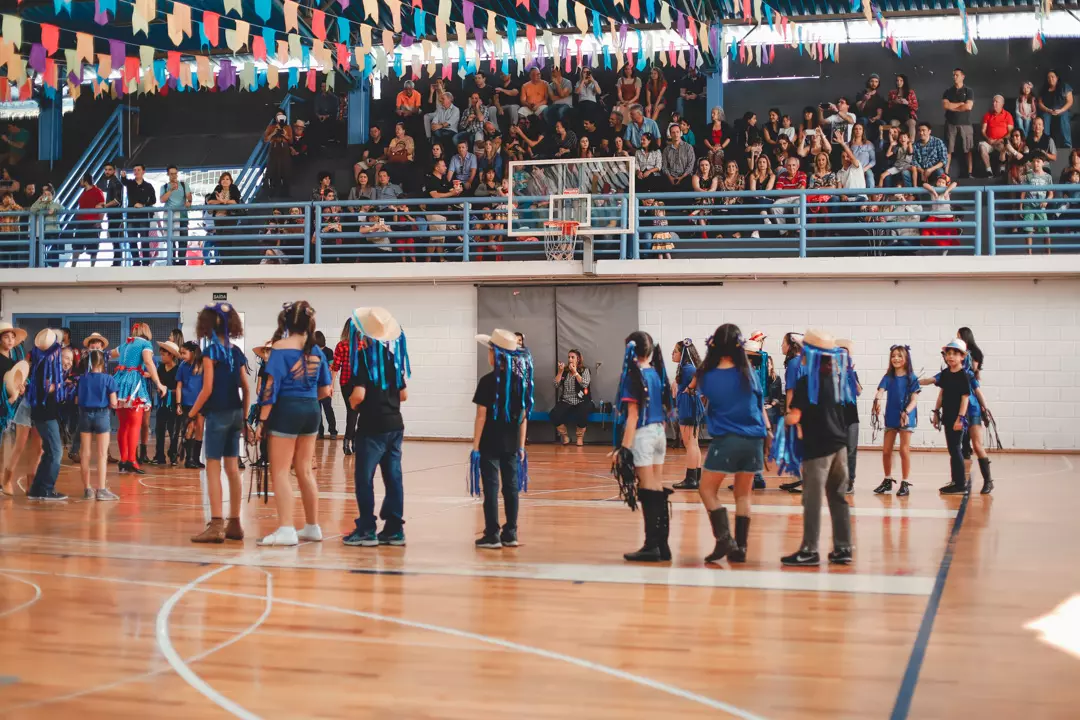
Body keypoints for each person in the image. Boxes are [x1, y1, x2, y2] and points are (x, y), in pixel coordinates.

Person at [254, 301, 331, 546]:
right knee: (305, 470)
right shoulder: (316, 351)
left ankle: (286, 529)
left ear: (286, 322)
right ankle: (312, 527)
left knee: (280, 471)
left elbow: (270, 388)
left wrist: (261, 420)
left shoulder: (279, 347)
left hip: (287, 410)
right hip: (312, 410)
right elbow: (326, 390)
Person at [694, 324, 770, 564]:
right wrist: (768, 432)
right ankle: (741, 548)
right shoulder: (748, 372)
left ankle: (725, 538)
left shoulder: (708, 376)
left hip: (727, 439)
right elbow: (759, 405)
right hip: (755, 438)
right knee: (743, 494)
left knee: (707, 490)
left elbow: (706, 398)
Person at [780, 330, 854, 567]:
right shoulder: (838, 380)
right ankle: (843, 548)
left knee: (812, 500)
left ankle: (809, 550)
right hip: (840, 447)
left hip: (818, 449)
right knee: (838, 498)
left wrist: (784, 420)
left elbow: (795, 417)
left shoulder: (807, 383)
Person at [341, 307, 411, 548]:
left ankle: (366, 529)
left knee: (364, 478)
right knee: (393, 478)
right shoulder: (392, 358)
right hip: (395, 425)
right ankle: (394, 529)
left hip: (372, 427)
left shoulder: (362, 359)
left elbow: (358, 395)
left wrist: (353, 402)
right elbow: (403, 395)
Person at [188, 303, 249, 543]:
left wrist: (192, 413)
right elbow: (245, 387)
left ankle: (216, 525)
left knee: (212, 468)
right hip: (236, 413)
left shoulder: (210, 352)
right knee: (232, 469)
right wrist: (245, 418)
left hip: (218, 414)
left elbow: (207, 389)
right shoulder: (236, 351)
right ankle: (235, 523)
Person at [614, 331, 673, 562]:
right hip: (660, 433)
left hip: (644, 434)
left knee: (647, 490)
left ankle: (651, 546)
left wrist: (623, 449)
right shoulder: (656, 373)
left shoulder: (633, 376)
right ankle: (662, 545)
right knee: (656, 487)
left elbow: (633, 415)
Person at [471, 329, 532, 549]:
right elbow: (523, 417)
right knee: (511, 487)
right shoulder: (521, 382)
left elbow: (481, 415)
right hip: (512, 443)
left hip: (490, 442)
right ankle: (511, 532)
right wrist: (522, 445)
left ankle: (492, 534)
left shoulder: (487, 381)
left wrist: (475, 446)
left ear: (495, 355)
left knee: (491, 488)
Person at [110, 323, 166, 475]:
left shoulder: (125, 344)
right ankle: (132, 460)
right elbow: (148, 362)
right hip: (134, 383)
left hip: (119, 382)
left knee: (123, 425)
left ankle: (123, 460)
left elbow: (109, 354)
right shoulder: (145, 344)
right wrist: (158, 383)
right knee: (135, 424)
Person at [25, 329, 70, 502]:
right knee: (56, 452)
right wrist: (61, 385)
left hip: (42, 414)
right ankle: (46, 490)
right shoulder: (46, 366)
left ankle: (37, 489)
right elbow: (46, 388)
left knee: (49, 452)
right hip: (45, 415)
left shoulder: (40, 363)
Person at [873, 344, 920, 497]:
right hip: (892, 416)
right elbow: (880, 391)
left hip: (906, 417)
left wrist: (906, 411)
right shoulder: (888, 377)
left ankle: (905, 482)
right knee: (886, 450)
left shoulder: (912, 378)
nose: (896, 359)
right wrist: (877, 401)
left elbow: (914, 400)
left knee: (903, 450)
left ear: (906, 358)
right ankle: (887, 479)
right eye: (893, 356)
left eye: (899, 356)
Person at [76, 349, 119, 501]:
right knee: (102, 454)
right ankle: (101, 490)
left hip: (84, 415)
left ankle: (87, 489)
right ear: (102, 362)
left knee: (85, 453)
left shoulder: (82, 378)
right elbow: (113, 402)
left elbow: (77, 400)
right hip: (102, 415)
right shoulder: (108, 379)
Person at [931, 338, 972, 495]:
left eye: (955, 354)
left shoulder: (963, 375)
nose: (950, 357)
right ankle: (956, 480)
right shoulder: (946, 374)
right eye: (948, 354)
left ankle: (960, 484)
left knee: (955, 449)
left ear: (962, 357)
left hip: (957, 418)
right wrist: (936, 412)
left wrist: (960, 418)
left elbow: (965, 398)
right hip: (947, 416)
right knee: (952, 449)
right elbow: (941, 394)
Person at [670, 339, 705, 491]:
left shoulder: (688, 368)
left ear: (683, 353)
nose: (672, 354)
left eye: (675, 351)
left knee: (689, 443)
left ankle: (691, 479)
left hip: (688, 406)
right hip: (690, 405)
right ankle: (696, 477)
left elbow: (701, 374)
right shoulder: (687, 367)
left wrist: (690, 387)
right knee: (693, 443)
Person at [835, 339, 861, 495]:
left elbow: (858, 391)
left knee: (851, 450)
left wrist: (850, 373)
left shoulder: (852, 373)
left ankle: (850, 481)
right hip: (836, 418)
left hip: (852, 417)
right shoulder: (830, 375)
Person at [149, 340, 181, 466]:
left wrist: (168, 391)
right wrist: (160, 388)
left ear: (171, 355)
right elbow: (158, 382)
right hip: (162, 403)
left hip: (173, 403)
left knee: (173, 429)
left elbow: (179, 388)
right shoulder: (161, 368)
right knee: (159, 429)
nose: (161, 357)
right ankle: (159, 455)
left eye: (164, 354)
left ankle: (173, 454)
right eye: (161, 354)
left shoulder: (178, 369)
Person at [551, 349, 591, 446]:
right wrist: (560, 372)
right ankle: (565, 436)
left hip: (581, 400)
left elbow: (585, 384)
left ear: (578, 359)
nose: (570, 359)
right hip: (566, 400)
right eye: (569, 357)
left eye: (572, 357)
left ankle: (580, 437)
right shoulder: (565, 371)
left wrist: (575, 372)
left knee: (583, 412)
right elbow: (555, 385)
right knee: (554, 414)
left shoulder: (584, 370)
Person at [176, 341, 205, 469]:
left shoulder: (202, 365)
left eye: (184, 353)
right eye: (181, 353)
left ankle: (196, 458)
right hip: (187, 402)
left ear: (192, 353)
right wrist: (178, 404)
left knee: (199, 428)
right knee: (190, 427)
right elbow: (179, 386)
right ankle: (189, 458)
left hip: (201, 402)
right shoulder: (182, 366)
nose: (182, 355)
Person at [941, 68, 975, 177]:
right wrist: (960, 105)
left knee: (968, 149)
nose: (954, 77)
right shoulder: (948, 91)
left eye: (957, 75)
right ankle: (945, 173)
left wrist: (952, 106)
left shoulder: (968, 91)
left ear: (962, 76)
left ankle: (970, 173)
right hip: (951, 123)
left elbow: (968, 106)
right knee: (949, 149)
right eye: (953, 75)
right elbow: (945, 106)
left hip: (965, 123)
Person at [1021, 152, 1054, 253]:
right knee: (1028, 230)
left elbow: (1051, 194)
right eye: (1034, 161)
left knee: (1046, 231)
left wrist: (1046, 201)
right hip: (1028, 205)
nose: (1036, 164)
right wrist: (1020, 206)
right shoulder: (1028, 176)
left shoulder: (1048, 177)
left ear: (1043, 163)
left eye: (1038, 161)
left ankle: (1048, 254)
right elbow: (1023, 192)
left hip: (1041, 207)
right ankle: (1029, 255)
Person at [978, 95, 1015, 177]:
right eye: (993, 102)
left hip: (1001, 141)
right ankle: (989, 171)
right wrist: (988, 139)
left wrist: (1000, 139)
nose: (994, 103)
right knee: (982, 147)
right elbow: (983, 130)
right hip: (990, 141)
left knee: (1004, 147)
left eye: (996, 102)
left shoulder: (1008, 115)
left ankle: (1002, 170)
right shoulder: (987, 115)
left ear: (1002, 104)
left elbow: (1010, 132)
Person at [73, 172, 105, 265]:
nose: (80, 182)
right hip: (81, 223)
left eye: (81, 180)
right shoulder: (84, 192)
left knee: (93, 248)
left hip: (92, 223)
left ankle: (92, 268)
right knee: (76, 246)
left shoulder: (97, 191)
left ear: (86, 181)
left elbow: (102, 206)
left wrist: (99, 222)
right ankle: (73, 267)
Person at [1038, 69, 1073, 149]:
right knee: (1045, 117)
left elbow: (1070, 101)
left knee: (1064, 116)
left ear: (1057, 77)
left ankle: (1067, 143)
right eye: (1048, 77)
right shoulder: (1044, 89)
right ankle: (1045, 143)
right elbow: (1040, 103)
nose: (1050, 79)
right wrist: (1048, 110)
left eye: (1052, 77)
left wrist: (1061, 110)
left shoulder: (1064, 86)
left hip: (1062, 110)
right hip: (1048, 110)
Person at [263, 111, 294, 199]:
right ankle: (273, 192)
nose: (280, 117)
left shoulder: (287, 127)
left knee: (285, 170)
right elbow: (265, 139)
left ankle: (286, 192)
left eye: (281, 115)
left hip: (284, 148)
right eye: (278, 115)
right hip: (274, 147)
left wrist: (285, 135)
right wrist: (274, 132)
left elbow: (291, 141)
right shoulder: (271, 127)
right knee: (273, 169)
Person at [160, 164, 193, 243]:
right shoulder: (164, 187)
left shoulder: (184, 185)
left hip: (182, 217)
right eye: (172, 174)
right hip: (170, 218)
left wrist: (189, 201)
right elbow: (162, 200)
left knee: (183, 242)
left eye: (175, 173)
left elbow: (189, 196)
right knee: (171, 243)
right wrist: (171, 190)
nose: (174, 176)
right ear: (168, 174)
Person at [661, 124, 695, 191]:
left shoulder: (688, 147)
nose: (675, 134)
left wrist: (681, 177)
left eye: (677, 132)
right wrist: (670, 177)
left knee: (688, 181)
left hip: (685, 176)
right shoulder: (666, 150)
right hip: (670, 177)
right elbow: (664, 166)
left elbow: (691, 165)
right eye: (673, 132)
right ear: (670, 134)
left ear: (680, 133)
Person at [887, 74, 919, 143]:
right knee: (893, 123)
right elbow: (888, 106)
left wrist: (907, 103)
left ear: (904, 82)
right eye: (897, 80)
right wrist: (894, 102)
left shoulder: (910, 92)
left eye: (901, 80)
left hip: (907, 116)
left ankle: (911, 143)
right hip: (896, 116)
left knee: (912, 122)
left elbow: (915, 107)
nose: (899, 82)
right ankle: (894, 143)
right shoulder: (892, 92)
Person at [856, 74, 887, 140]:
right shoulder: (861, 93)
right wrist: (864, 100)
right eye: (872, 81)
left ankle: (880, 144)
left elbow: (879, 114)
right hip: (864, 117)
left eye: (876, 82)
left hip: (874, 118)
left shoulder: (880, 96)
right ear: (868, 82)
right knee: (863, 120)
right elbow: (860, 109)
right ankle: (863, 141)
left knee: (884, 124)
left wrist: (875, 118)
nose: (874, 84)